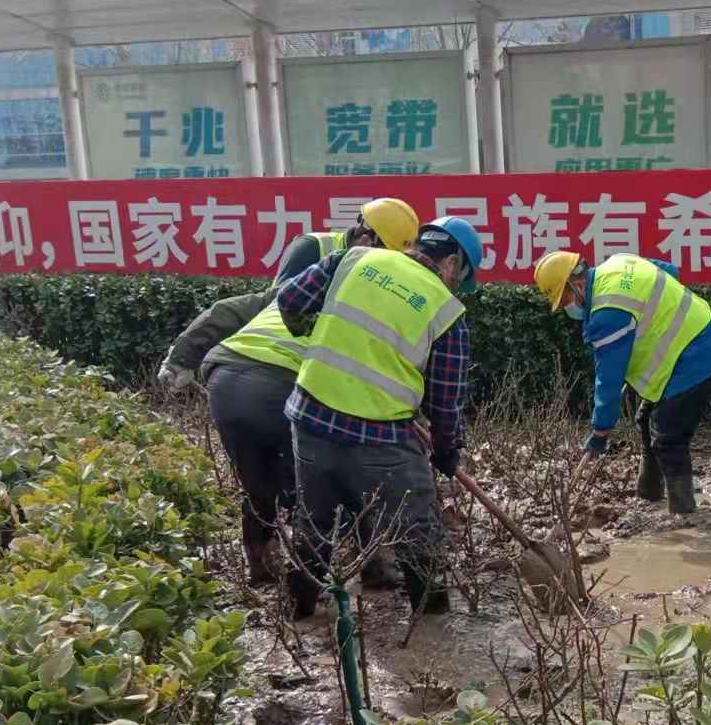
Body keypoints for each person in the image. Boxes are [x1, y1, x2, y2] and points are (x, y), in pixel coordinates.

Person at [155, 198, 421, 589]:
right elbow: (257, 306)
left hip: (231, 380)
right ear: (365, 234)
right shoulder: (315, 252)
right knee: (330, 474)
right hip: (278, 382)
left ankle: (269, 570)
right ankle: (350, 570)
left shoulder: (374, 278)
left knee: (267, 483)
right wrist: (183, 355)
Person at [275, 216, 484, 618]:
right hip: (380, 437)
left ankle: (297, 614)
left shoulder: (351, 260)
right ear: (453, 264)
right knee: (417, 527)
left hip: (310, 417)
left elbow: (288, 300)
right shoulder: (448, 313)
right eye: (461, 277)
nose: (456, 285)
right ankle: (433, 622)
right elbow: (445, 402)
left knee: (313, 523)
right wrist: (446, 451)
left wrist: (313, 333)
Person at [532, 250, 711, 516]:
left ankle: (684, 516)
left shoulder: (607, 314)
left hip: (696, 359)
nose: (567, 307)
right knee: (646, 419)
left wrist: (600, 431)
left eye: (566, 299)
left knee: (668, 438)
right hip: (706, 339)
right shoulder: (619, 262)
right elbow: (671, 272)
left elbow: (609, 378)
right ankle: (649, 494)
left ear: (577, 284)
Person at [272, 197, 419, 283]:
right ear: (369, 238)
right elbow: (277, 304)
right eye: (387, 251)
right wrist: (349, 260)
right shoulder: (310, 247)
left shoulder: (383, 267)